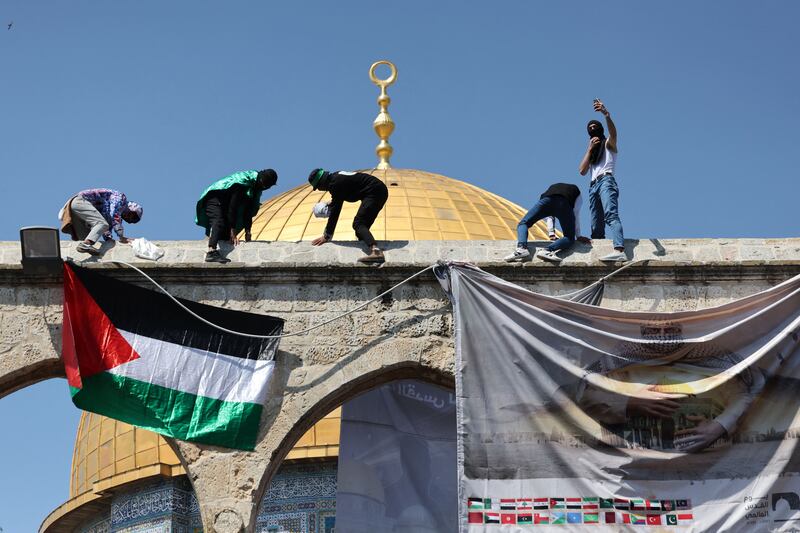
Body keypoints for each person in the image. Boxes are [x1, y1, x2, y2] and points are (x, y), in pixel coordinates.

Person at [579, 99, 627, 263]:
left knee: (610, 215)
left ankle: (619, 249)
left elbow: (613, 134)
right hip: (593, 186)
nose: (593, 130)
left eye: (595, 128)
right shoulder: (593, 153)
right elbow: (582, 171)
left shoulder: (608, 144)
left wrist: (606, 115)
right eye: (590, 129)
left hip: (606, 181)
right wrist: (590, 148)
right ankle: (598, 254)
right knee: (596, 224)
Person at [195, 169, 278, 263]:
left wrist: (248, 231)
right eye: (264, 184)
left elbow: (248, 211)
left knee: (225, 235)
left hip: (225, 205)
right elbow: (232, 207)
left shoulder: (255, 188)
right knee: (219, 222)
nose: (264, 187)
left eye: (267, 186)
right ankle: (211, 252)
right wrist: (233, 231)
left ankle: (219, 251)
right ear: (261, 179)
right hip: (215, 199)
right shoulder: (243, 181)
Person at [308, 168, 388, 264]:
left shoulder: (335, 184)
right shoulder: (336, 178)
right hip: (378, 191)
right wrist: (330, 204)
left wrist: (327, 236)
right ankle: (371, 249)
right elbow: (339, 199)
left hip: (374, 192)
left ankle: (376, 252)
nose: (320, 190)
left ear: (322, 182)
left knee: (358, 224)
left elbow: (335, 212)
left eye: (318, 186)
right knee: (360, 231)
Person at [504, 182, 590, 263]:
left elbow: (549, 217)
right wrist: (578, 236)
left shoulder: (550, 189)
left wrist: (551, 233)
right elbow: (576, 214)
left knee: (523, 224)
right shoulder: (577, 193)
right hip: (564, 204)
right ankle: (547, 250)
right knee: (569, 238)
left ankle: (521, 248)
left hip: (546, 201)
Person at [59, 188, 143, 255]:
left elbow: (106, 224)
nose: (128, 218)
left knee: (86, 237)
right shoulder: (121, 198)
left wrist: (109, 240)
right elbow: (113, 216)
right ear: (132, 208)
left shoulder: (108, 209)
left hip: (76, 209)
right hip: (80, 202)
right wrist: (121, 236)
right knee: (101, 224)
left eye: (131, 220)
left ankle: (83, 250)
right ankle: (86, 244)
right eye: (132, 216)